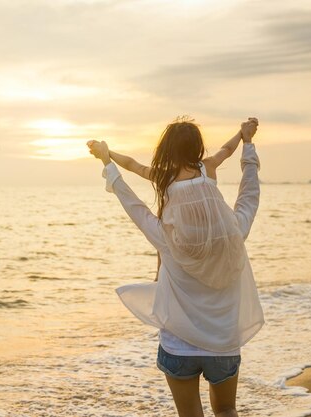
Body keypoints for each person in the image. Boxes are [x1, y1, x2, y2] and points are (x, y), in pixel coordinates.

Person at [87, 118, 262, 417]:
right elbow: (248, 192)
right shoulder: (234, 229)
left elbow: (134, 203)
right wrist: (246, 140)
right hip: (223, 343)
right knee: (227, 410)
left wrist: (107, 158)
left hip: (179, 345)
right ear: (197, 147)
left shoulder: (167, 232)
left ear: (167, 149)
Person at [106, 117, 257, 281]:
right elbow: (227, 149)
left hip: (188, 242)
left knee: (160, 221)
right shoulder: (207, 166)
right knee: (247, 203)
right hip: (224, 234)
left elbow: (133, 165)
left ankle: (159, 273)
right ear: (197, 147)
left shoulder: (165, 175)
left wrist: (108, 154)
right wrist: (242, 135)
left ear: (167, 150)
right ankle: (162, 271)